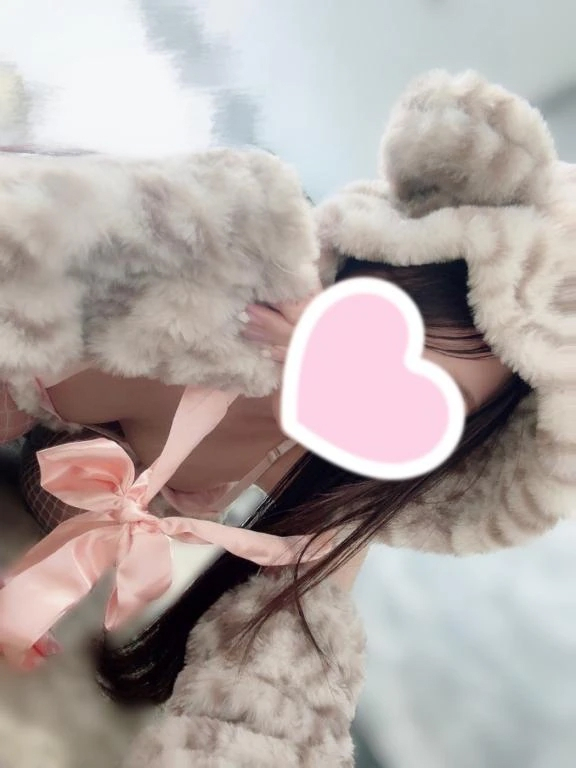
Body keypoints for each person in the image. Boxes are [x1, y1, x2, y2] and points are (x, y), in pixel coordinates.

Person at [1, 70, 574, 767]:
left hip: (68, 475)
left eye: (427, 407)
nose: (366, 392)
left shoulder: (330, 471)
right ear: (358, 266)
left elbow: (288, 687)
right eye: (371, 337)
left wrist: (39, 592)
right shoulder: (208, 255)